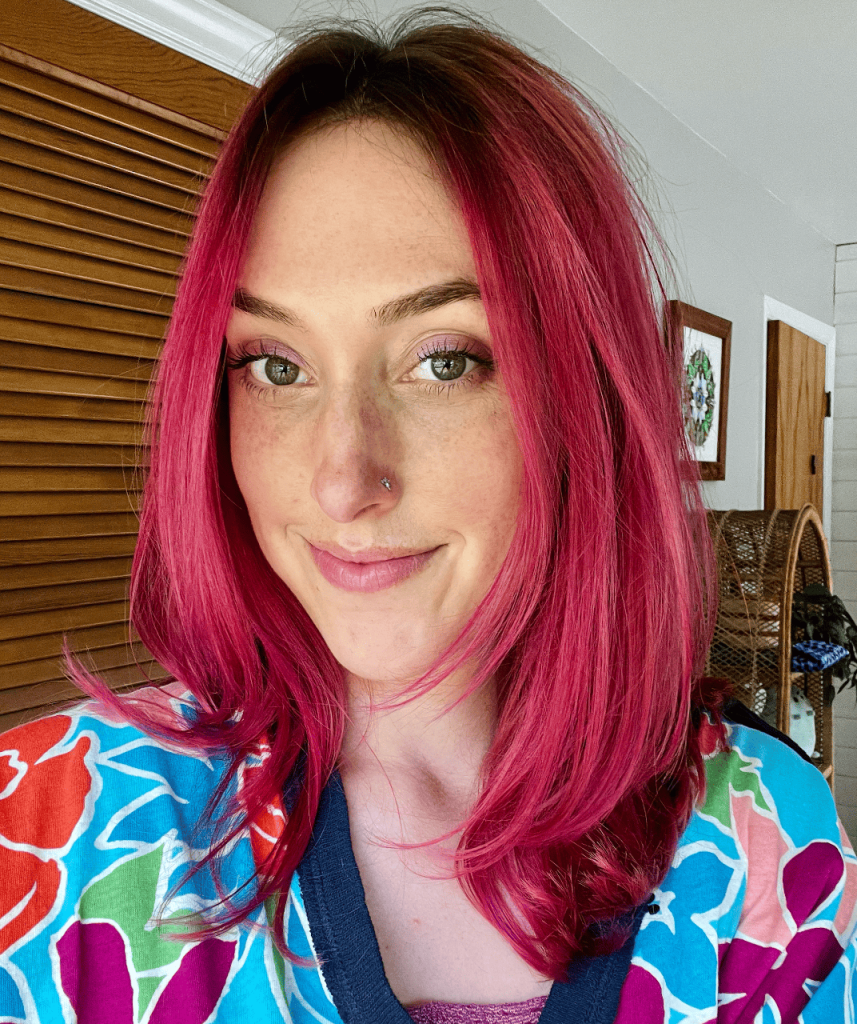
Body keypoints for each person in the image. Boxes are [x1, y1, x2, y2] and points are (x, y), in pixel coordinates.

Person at [1, 7, 855, 1022]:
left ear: (583, 400)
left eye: (443, 361)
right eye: (274, 365)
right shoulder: (49, 826)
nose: (342, 481)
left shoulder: (767, 850)